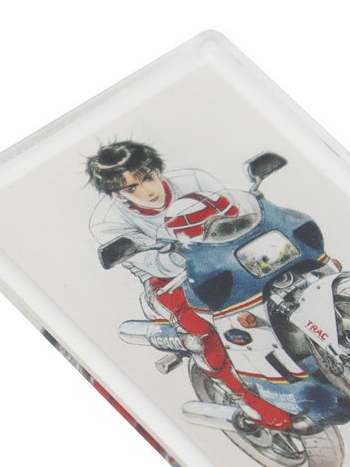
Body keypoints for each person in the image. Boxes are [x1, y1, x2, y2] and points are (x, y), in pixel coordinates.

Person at [86, 140, 294, 432]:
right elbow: (155, 265)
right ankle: (243, 397)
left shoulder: (193, 180)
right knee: (201, 330)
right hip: (171, 279)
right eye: (131, 189)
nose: (147, 191)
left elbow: (236, 212)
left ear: (157, 170)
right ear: (118, 194)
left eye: (148, 178)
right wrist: (182, 252)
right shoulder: (108, 222)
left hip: (228, 253)